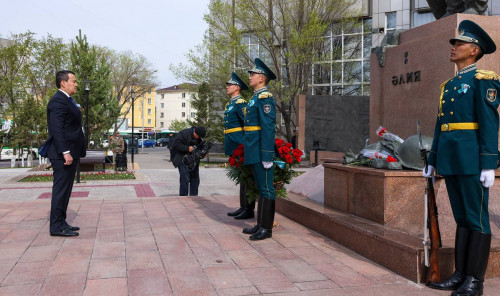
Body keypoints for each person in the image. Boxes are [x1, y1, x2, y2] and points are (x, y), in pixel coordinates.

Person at [423, 20, 499, 296]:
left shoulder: (483, 81)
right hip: (452, 158)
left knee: (477, 219)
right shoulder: (449, 85)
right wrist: (433, 159)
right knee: (462, 218)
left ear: (475, 50)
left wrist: (489, 163)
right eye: (454, 43)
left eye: (460, 43)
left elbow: (490, 123)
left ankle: (475, 282)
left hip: (472, 159)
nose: (453, 47)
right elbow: (440, 124)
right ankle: (460, 275)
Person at [46, 70, 86, 237]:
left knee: (66, 190)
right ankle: (56, 226)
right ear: (63, 83)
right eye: (73, 81)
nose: (76, 84)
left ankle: (62, 222)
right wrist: (66, 152)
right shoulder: (58, 101)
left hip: (69, 152)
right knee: (61, 191)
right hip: (62, 154)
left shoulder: (67, 100)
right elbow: (57, 129)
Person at [242, 58, 277, 241]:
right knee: (260, 187)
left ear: (262, 78)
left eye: (253, 74)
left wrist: (267, 155)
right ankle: (260, 223)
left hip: (261, 150)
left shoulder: (265, 98)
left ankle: (266, 228)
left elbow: (268, 127)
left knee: (266, 188)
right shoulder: (255, 98)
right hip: (253, 148)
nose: (250, 77)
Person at [224, 72, 255, 219]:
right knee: (241, 178)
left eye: (229, 85)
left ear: (237, 87)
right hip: (233, 145)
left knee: (246, 177)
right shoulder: (230, 104)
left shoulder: (240, 103)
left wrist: (247, 145)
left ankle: (248, 209)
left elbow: (247, 124)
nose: (227, 87)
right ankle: (243, 206)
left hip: (240, 144)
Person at [172, 126, 206, 196]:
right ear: (195, 132)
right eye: (198, 136)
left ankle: (194, 197)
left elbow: (202, 146)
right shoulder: (184, 133)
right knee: (185, 179)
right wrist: (187, 148)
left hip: (194, 160)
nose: (199, 138)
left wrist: (203, 153)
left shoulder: (200, 138)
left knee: (195, 180)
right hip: (182, 159)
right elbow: (176, 145)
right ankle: (183, 197)